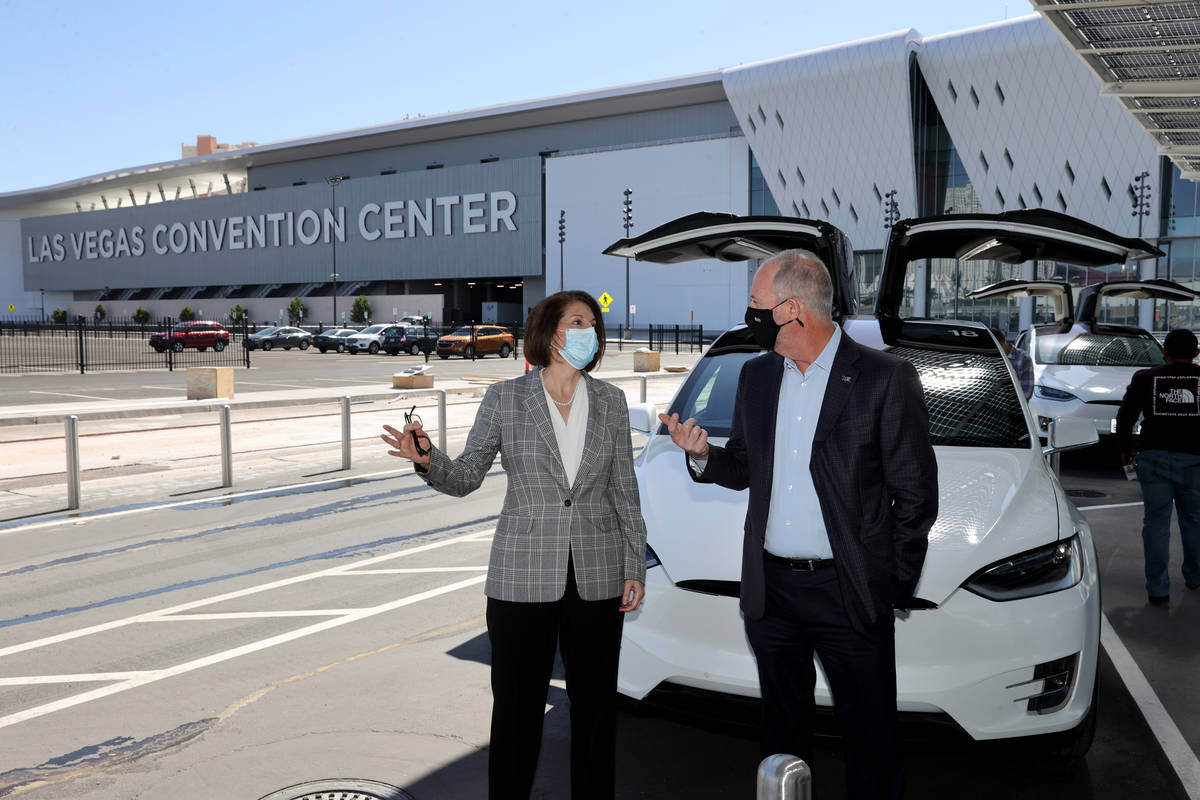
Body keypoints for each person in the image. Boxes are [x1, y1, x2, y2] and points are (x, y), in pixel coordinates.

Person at [659, 249, 938, 800]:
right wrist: (702, 455)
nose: (749, 314)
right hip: (774, 593)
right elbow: (741, 465)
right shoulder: (758, 376)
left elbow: (915, 494)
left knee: (871, 739)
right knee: (782, 736)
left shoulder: (885, 377)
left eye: (756, 304)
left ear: (791, 310)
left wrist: (887, 587)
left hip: (849, 593)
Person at [380, 290, 646, 800]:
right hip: (521, 580)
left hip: (598, 576)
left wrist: (634, 563)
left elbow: (624, 492)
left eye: (593, 322)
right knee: (517, 715)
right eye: (577, 320)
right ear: (549, 332)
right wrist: (426, 457)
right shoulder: (506, 398)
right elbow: (465, 476)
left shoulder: (611, 401)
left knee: (595, 714)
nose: (589, 329)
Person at [1115, 328, 1200, 607]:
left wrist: (1126, 448)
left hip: (1153, 458)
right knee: (1194, 521)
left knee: (1156, 523)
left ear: (1164, 352)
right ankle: (1195, 576)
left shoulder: (1145, 378)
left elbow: (1126, 416)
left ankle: (1158, 589)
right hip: (1195, 461)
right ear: (1197, 354)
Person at [990, 327, 1033, 399]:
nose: (992, 350)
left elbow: (1027, 392)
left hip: (1013, 407)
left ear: (1001, 343)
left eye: (993, 347)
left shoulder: (1023, 358)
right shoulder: (988, 357)